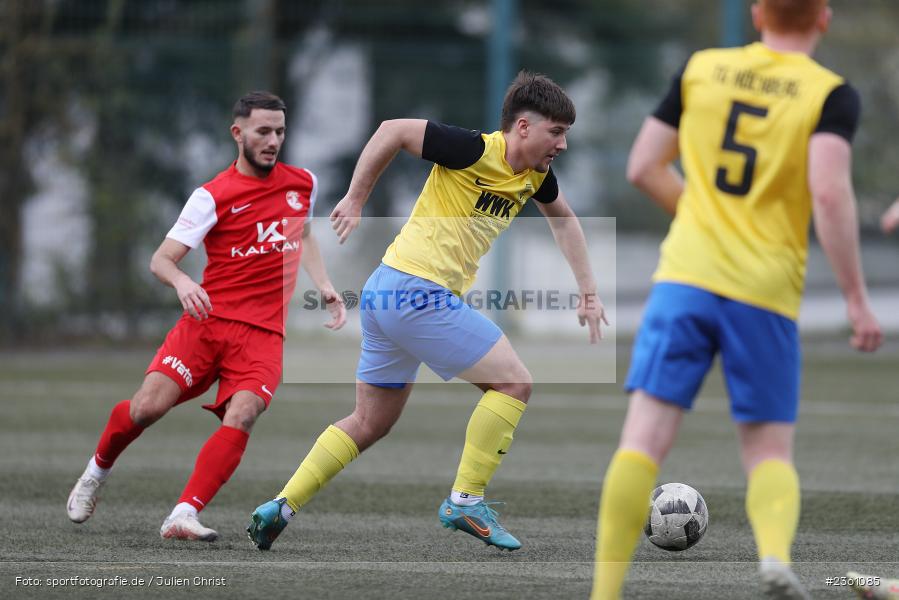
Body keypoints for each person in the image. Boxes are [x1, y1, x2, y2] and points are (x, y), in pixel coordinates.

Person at [591, 1, 883, 598]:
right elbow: (829, 194)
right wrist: (856, 297)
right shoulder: (831, 95)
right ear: (823, 18)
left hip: (685, 278)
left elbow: (643, 166)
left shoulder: (701, 68)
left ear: (756, 14)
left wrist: (704, 219)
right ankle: (774, 558)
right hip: (764, 290)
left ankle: (604, 592)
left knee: (642, 440)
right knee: (769, 446)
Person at [246, 71, 608, 551]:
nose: (562, 144)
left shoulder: (535, 176)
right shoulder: (473, 150)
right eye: (556, 132)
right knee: (514, 383)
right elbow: (392, 130)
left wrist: (588, 291)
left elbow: (565, 222)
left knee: (370, 422)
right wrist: (356, 198)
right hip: (416, 292)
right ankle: (465, 499)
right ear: (523, 127)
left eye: (565, 134)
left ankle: (282, 505)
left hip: (386, 292)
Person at [65, 91, 347, 541]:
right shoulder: (212, 196)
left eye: (279, 132)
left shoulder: (302, 184)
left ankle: (184, 513)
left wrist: (325, 285)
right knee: (146, 408)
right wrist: (183, 283)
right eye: (263, 131)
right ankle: (95, 473)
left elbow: (305, 234)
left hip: (263, 334)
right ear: (238, 133)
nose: (273, 141)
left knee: (244, 412)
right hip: (208, 323)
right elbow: (161, 260)